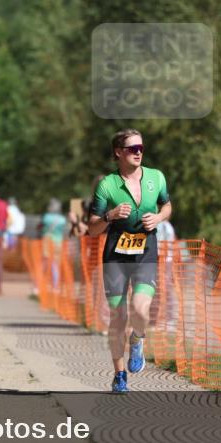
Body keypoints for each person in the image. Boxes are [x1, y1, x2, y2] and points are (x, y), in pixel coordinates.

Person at [88, 129, 172, 394]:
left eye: (141, 148)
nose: (138, 152)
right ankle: (119, 374)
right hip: (115, 255)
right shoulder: (108, 185)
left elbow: (167, 206)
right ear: (118, 152)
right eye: (132, 148)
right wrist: (110, 215)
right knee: (118, 316)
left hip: (145, 250)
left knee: (139, 309)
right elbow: (92, 229)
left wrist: (158, 218)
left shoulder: (156, 177)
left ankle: (138, 339)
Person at [39, 198, 68, 288]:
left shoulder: (46, 217)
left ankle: (40, 283)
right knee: (55, 264)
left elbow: (41, 226)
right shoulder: (63, 219)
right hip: (58, 242)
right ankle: (55, 285)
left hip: (47, 240)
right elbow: (64, 231)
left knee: (44, 262)